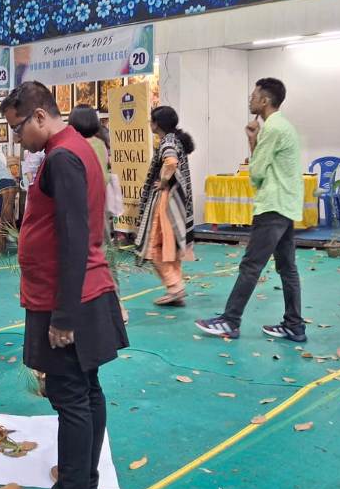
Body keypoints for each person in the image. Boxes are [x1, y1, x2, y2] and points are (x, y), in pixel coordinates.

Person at [1, 82, 128, 489]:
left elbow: (75, 239)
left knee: (71, 395)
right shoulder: (76, 147)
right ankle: (83, 483)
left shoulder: (62, 157)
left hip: (69, 296)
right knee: (85, 391)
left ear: (40, 116)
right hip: (76, 290)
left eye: (17, 128)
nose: (18, 139)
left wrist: (64, 317)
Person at [196, 78, 306, 342]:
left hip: (272, 206)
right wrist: (255, 140)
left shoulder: (273, 129)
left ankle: (230, 321)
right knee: (287, 268)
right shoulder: (282, 126)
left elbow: (255, 172)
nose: (250, 99)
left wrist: (253, 142)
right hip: (285, 205)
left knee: (251, 265)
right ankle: (294, 325)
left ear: (265, 101)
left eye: (254, 96)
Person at [70, 105, 129, 325]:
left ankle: (104, 305)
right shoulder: (101, 144)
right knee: (104, 253)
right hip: (100, 205)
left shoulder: (77, 146)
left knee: (89, 255)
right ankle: (116, 304)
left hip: (84, 205)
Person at [133, 106, 196, 306]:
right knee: (170, 247)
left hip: (165, 202)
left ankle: (175, 287)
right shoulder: (174, 139)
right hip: (173, 202)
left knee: (154, 247)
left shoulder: (167, 141)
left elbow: (170, 162)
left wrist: (162, 181)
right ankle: (175, 288)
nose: (149, 124)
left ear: (157, 124)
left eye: (151, 120)